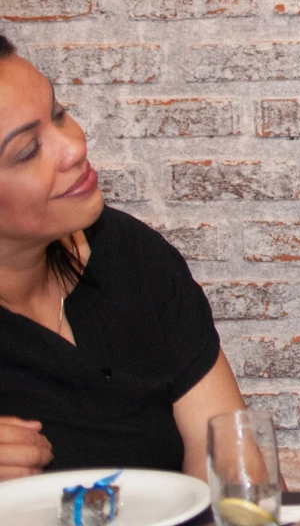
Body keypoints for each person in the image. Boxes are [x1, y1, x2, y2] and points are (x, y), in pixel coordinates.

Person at [0, 34, 246, 479]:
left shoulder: (130, 254)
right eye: (28, 151)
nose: (74, 147)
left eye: (59, 114)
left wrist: (246, 495)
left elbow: (225, 454)